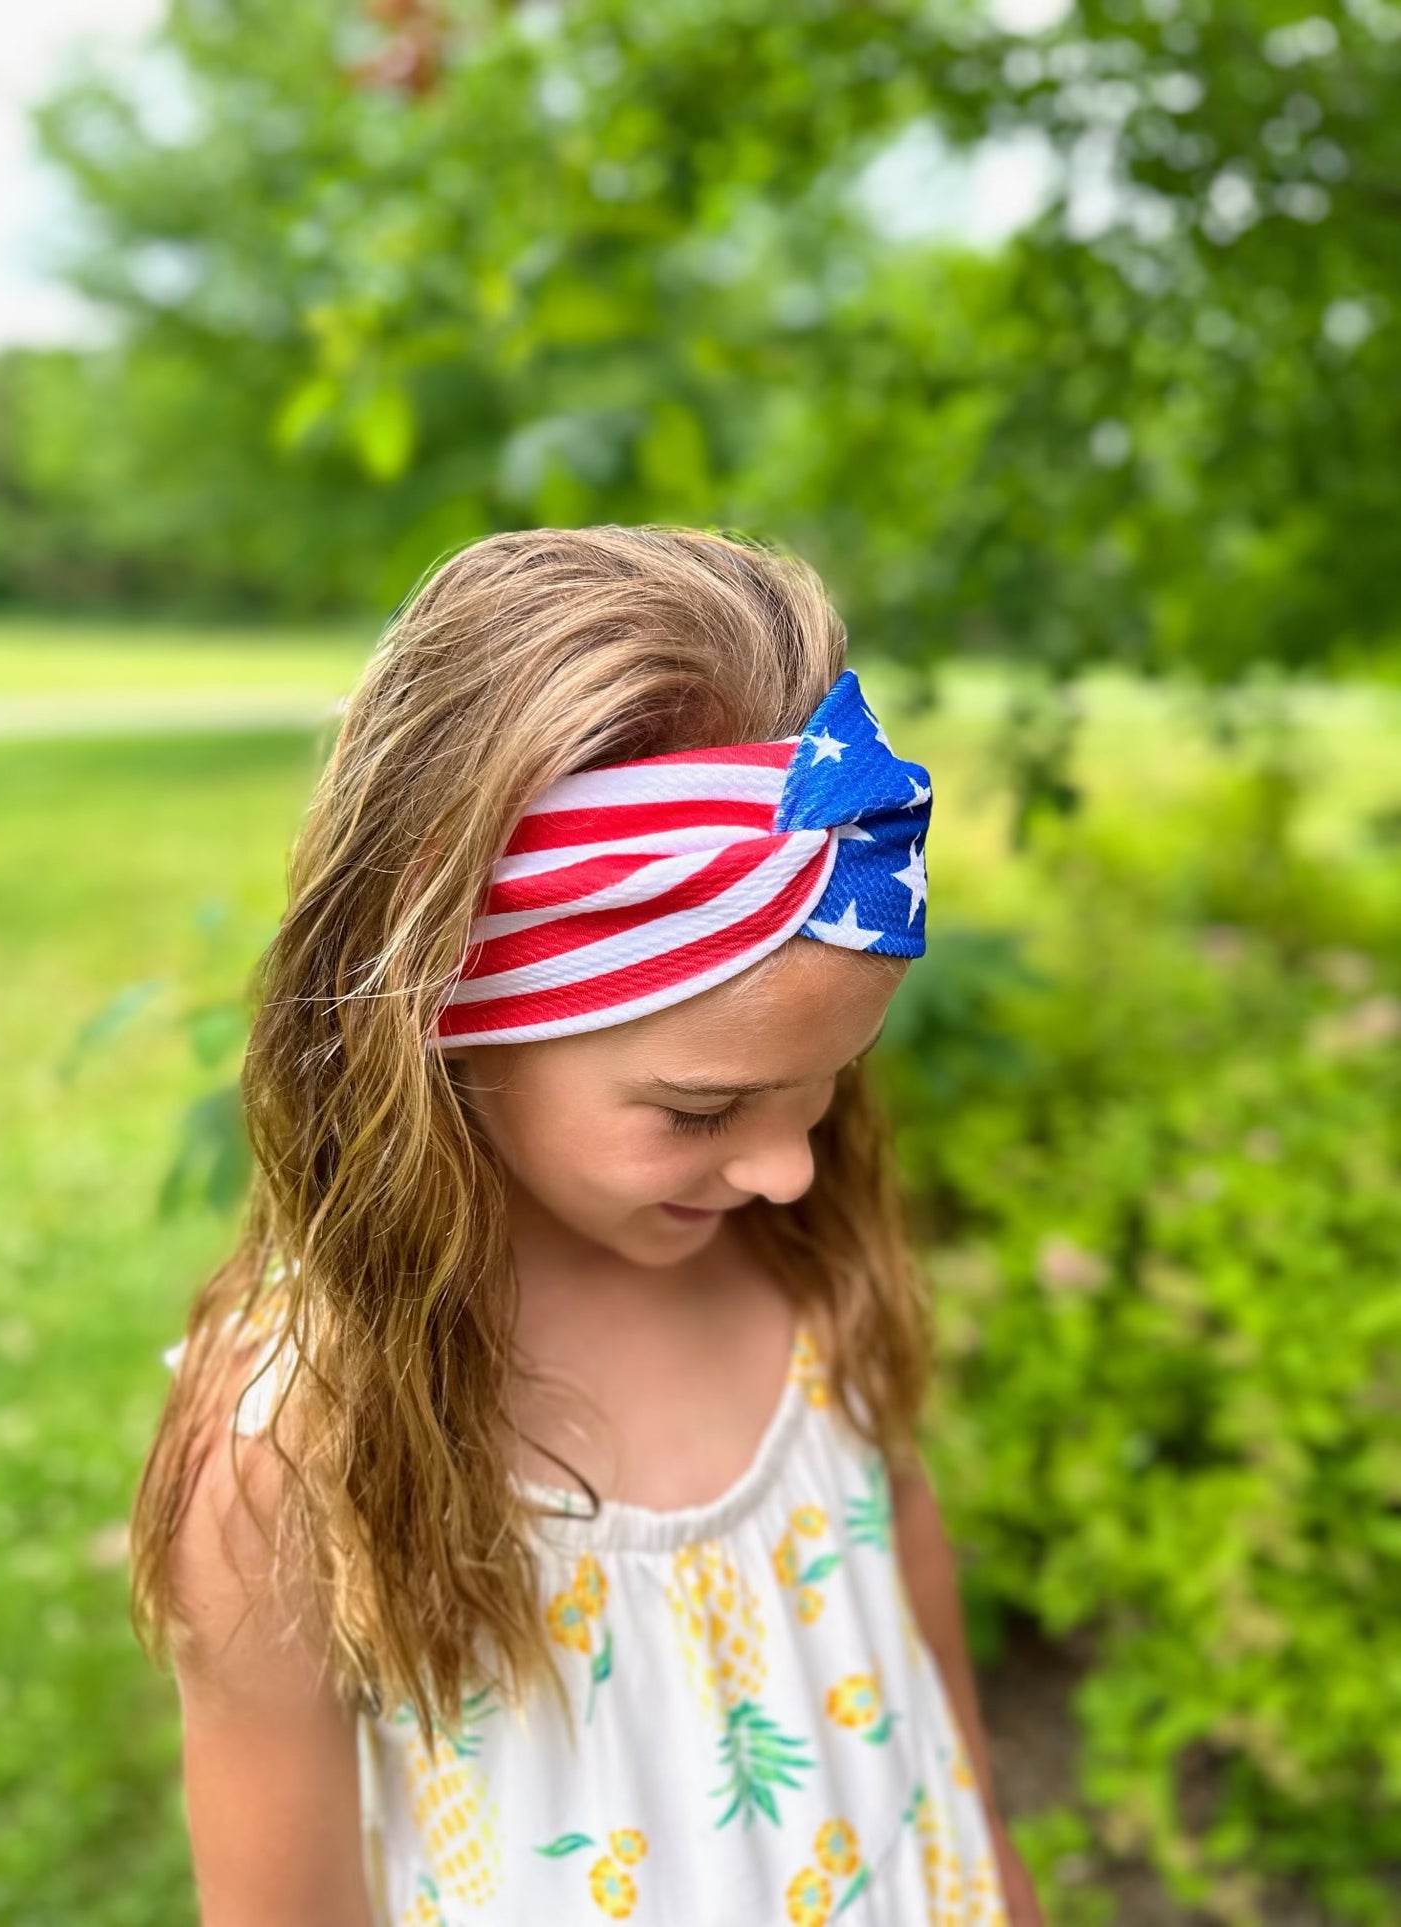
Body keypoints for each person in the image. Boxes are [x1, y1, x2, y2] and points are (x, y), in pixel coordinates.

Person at [136, 527, 1044, 1927]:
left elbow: (913, 1605)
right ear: (439, 1023)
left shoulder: (799, 1264)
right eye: (698, 1110)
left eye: (824, 1094)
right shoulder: (295, 1452)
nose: (791, 1172)